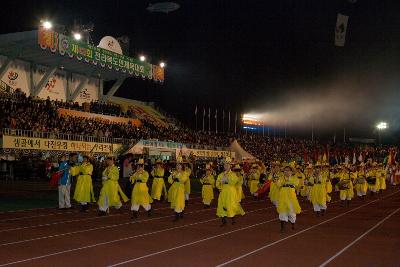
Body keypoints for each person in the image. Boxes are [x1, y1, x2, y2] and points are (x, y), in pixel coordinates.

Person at [216, 157, 245, 226]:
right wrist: (220, 186)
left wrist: (227, 179)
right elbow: (217, 183)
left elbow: (234, 181)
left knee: (230, 205)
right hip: (223, 192)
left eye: (227, 165)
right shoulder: (221, 174)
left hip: (230, 192)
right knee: (221, 205)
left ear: (230, 166)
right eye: (225, 165)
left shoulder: (233, 174)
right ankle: (223, 221)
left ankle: (233, 219)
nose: (226, 166)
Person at [277, 164, 301, 233]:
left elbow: (296, 184)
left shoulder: (294, 178)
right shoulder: (281, 178)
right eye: (285, 170)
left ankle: (293, 223)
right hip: (283, 196)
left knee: (292, 212)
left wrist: (287, 181)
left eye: (288, 170)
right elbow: (278, 185)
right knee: (282, 211)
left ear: (291, 172)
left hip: (291, 197)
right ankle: (282, 227)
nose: (286, 172)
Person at [168, 157, 189, 221]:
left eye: (179, 165)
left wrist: (178, 179)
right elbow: (169, 180)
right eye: (177, 165)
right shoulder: (174, 172)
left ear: (182, 166)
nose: (178, 166)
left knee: (178, 201)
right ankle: (181, 211)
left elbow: (184, 179)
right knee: (174, 201)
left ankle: (177, 216)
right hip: (174, 188)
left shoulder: (184, 173)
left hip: (180, 189)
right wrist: (172, 176)